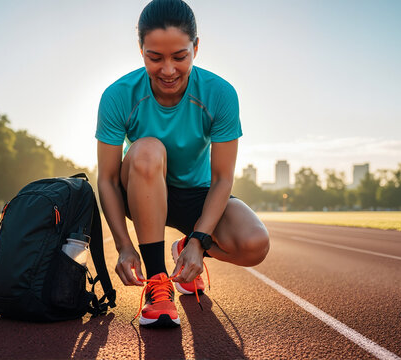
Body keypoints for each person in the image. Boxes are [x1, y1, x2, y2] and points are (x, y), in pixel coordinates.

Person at [95, 0, 270, 328]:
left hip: (199, 194)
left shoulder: (220, 94)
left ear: (196, 47)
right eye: (154, 57)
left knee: (254, 244)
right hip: (142, 189)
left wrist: (198, 242)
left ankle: (183, 248)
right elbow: (105, 179)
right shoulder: (118, 96)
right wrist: (123, 246)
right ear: (140, 49)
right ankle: (158, 287)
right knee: (147, 150)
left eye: (180, 56)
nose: (168, 70)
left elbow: (221, 179)